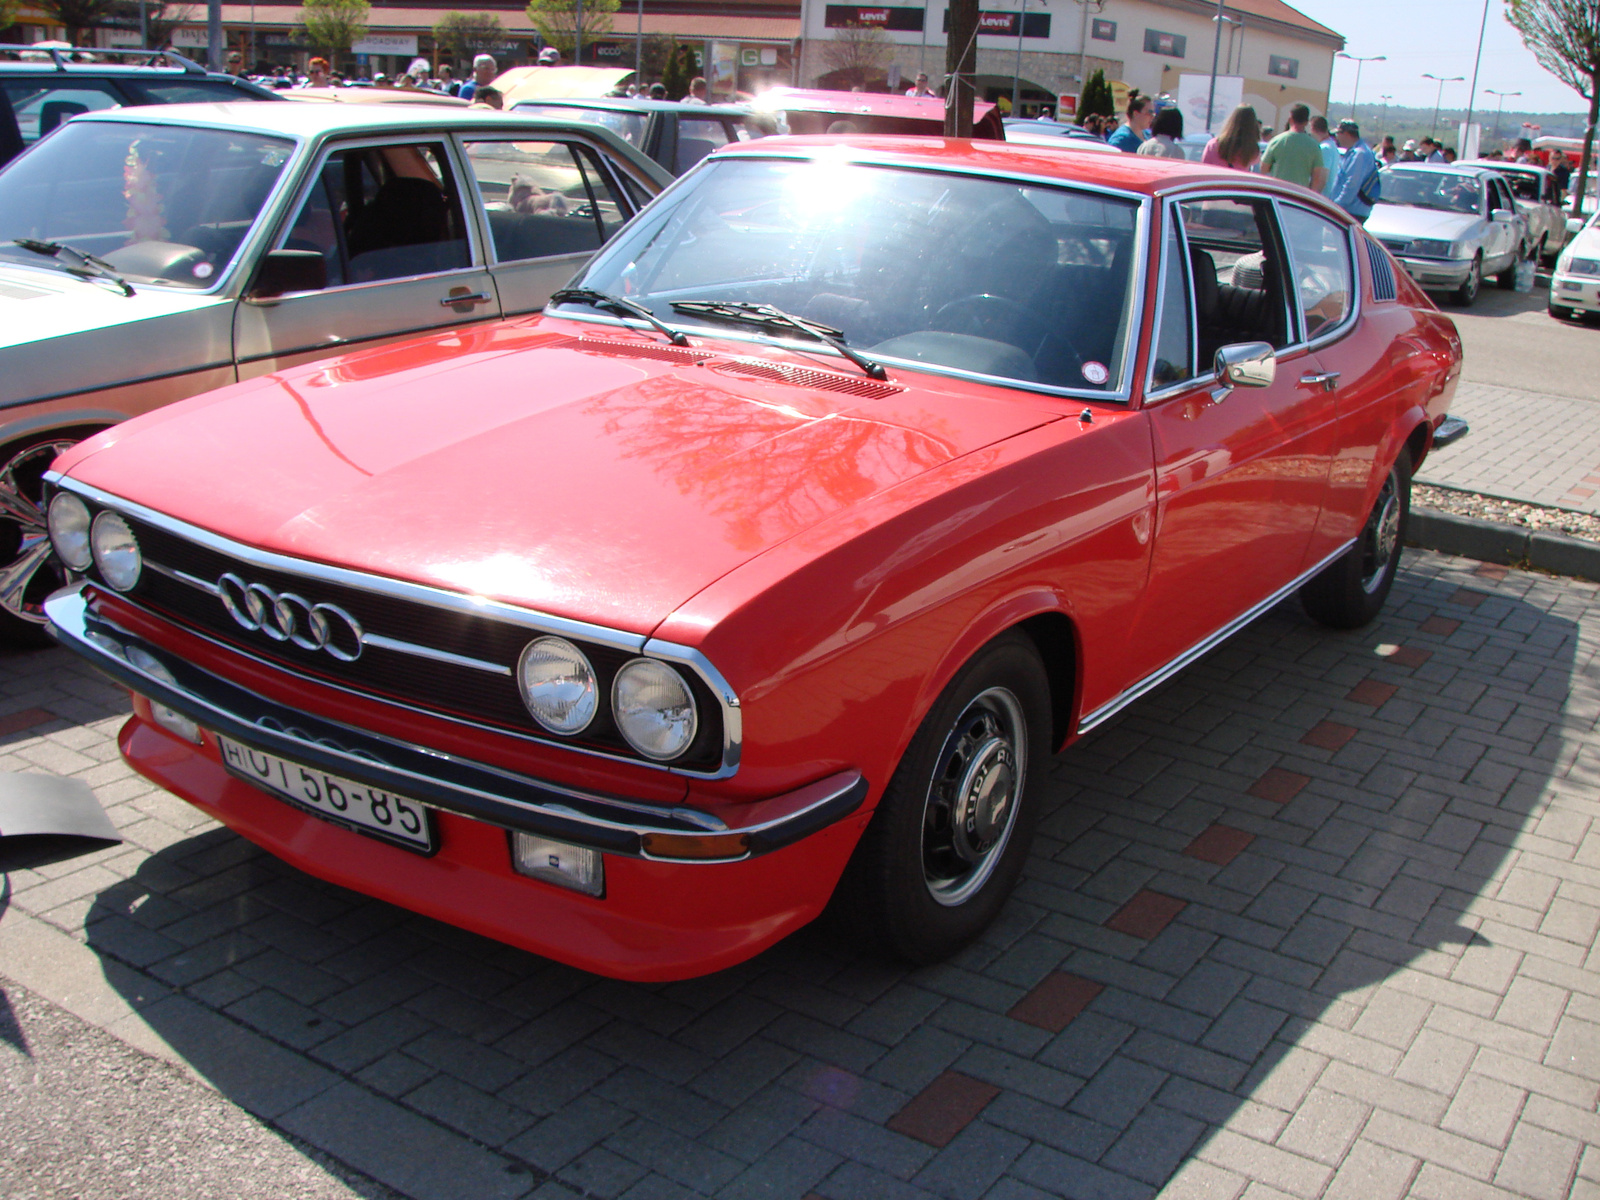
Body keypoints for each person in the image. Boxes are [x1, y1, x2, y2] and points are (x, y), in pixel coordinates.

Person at [1262, 102, 1327, 191]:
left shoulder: (1276, 141)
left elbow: (1263, 169)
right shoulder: (1314, 146)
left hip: (1277, 194)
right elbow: (1317, 177)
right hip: (1298, 198)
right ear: (1306, 122)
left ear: (1290, 119)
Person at [1330, 118, 1381, 221]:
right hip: (1348, 210)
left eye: (1338, 133)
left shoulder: (1359, 154)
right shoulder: (1353, 152)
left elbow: (1351, 184)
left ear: (1347, 134)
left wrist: (1337, 207)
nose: (1336, 137)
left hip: (1352, 212)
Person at [1202, 105, 1261, 171]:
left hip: (1217, 180)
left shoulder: (1213, 145)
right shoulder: (1253, 151)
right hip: (1238, 180)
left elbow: (1205, 168)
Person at [1311, 115, 1340, 196]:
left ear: (1313, 129)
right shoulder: (1332, 145)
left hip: (1323, 197)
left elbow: (1321, 178)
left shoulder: (1324, 149)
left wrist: (1314, 196)